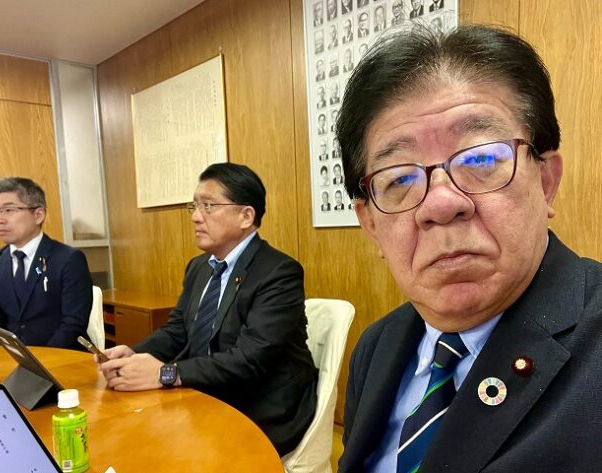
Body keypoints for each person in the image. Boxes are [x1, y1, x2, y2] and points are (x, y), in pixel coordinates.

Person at [335, 24, 602, 472]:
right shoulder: (376, 345)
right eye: (398, 179)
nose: (440, 204)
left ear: (546, 181)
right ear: (371, 224)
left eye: (480, 158)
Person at [97, 163, 318, 457]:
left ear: (246, 216)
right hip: (204, 390)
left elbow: (250, 359)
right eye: (195, 205)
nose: (196, 217)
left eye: (209, 206)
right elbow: (177, 331)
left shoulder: (278, 272)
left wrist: (165, 373)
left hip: (260, 404)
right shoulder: (199, 267)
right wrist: (133, 355)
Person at [0, 177, 93, 349]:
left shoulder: (69, 259)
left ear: (38, 215)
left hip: (62, 357)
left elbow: (73, 325)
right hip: (10, 359)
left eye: (9, 210)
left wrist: (36, 362)